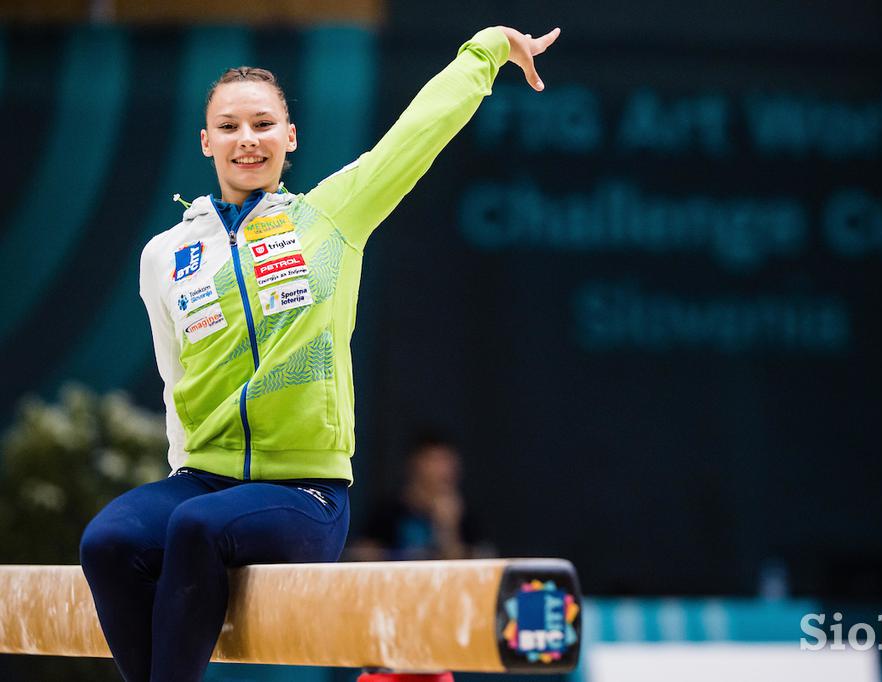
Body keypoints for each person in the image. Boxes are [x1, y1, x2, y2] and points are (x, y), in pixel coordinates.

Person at [78, 25, 561, 682]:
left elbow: (417, 135)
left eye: (262, 123)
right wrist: (178, 476)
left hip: (305, 494)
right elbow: (174, 379)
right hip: (201, 482)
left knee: (193, 529)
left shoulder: (331, 217)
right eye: (229, 126)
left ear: (290, 137)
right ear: (206, 142)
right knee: (106, 543)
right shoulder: (166, 255)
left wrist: (487, 51)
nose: (246, 137)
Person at [350, 433, 494, 561]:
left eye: (447, 461)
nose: (443, 470)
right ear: (414, 464)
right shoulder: (388, 512)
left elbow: (474, 568)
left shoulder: (464, 515)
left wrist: (448, 529)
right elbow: (361, 554)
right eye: (435, 461)